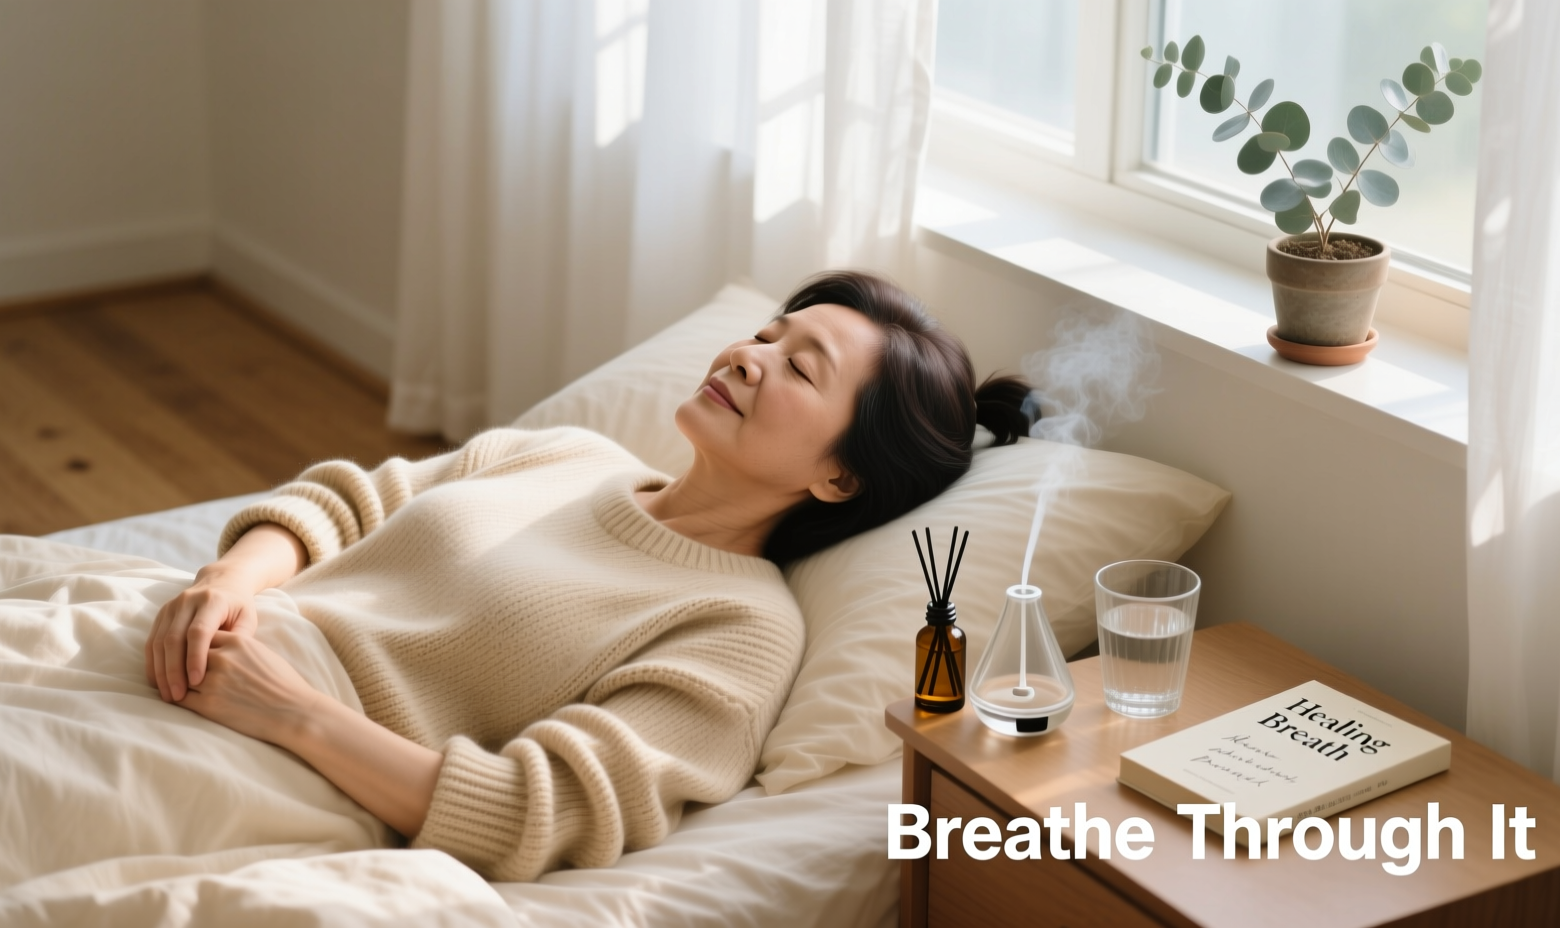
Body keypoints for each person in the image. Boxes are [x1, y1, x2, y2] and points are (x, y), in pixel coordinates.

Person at [143, 270, 1030, 881]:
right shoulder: (567, 454)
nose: (746, 355)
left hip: (271, 761)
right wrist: (227, 581)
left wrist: (293, 710)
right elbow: (345, 504)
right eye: (766, 332)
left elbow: (539, 809)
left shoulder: (742, 630)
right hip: (188, 647)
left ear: (838, 477)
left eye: (798, 367)